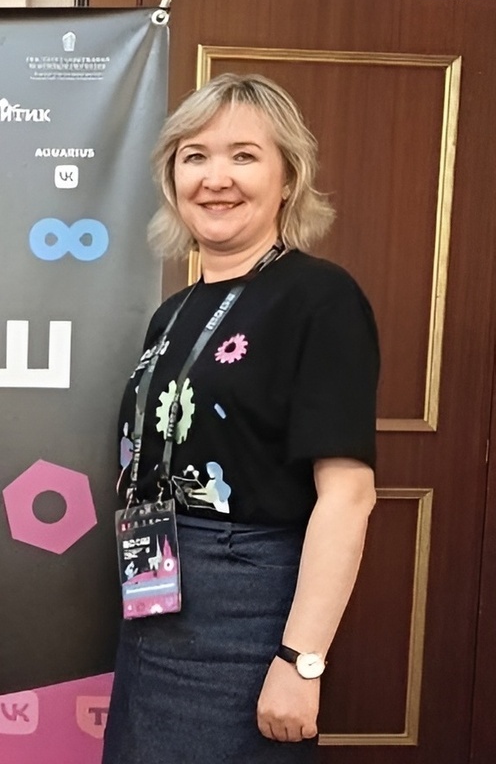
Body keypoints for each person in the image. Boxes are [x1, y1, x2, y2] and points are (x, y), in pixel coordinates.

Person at [104, 73, 379, 763]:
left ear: (288, 178)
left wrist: (299, 661)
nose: (215, 178)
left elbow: (348, 495)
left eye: (244, 156)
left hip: (247, 615)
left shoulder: (320, 298)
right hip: (155, 601)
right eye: (194, 156)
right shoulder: (174, 313)